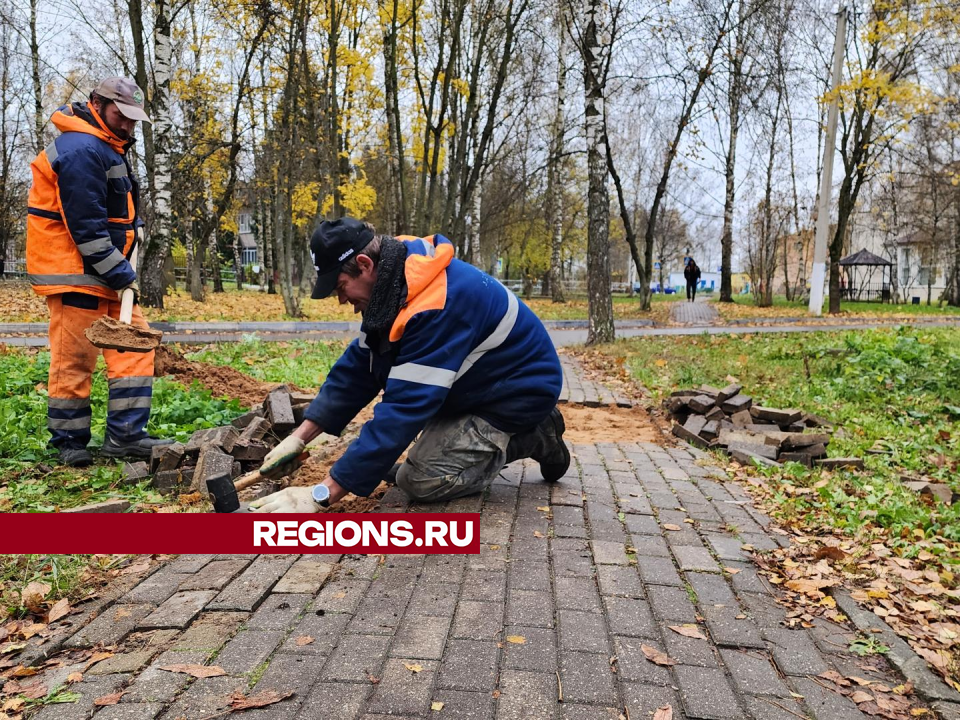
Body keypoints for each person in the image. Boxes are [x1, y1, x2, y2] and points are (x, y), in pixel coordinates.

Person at [250, 217, 568, 513]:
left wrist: (321, 495)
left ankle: (538, 434)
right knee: (412, 460)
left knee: (420, 481)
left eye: (340, 287)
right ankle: (448, 452)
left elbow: (405, 409)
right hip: (477, 383)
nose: (342, 300)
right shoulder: (393, 277)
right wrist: (300, 437)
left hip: (518, 392)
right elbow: (358, 367)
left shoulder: (438, 303)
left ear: (364, 264)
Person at [26, 77, 173, 467]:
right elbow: (85, 228)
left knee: (136, 351)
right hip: (76, 272)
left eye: (132, 119)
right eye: (120, 115)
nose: (126, 125)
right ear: (97, 104)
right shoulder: (81, 150)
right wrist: (123, 273)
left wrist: (121, 269)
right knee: (74, 359)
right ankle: (69, 443)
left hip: (107, 272)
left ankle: (126, 436)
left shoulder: (104, 146)